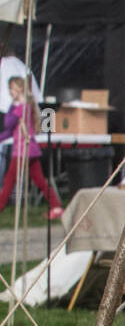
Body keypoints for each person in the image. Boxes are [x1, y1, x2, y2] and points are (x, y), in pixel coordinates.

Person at [0, 75, 62, 219]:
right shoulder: (26, 106)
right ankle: (56, 205)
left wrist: (12, 106)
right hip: (31, 150)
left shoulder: (21, 108)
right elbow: (10, 131)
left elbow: (8, 123)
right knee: (39, 180)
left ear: (19, 89)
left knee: (9, 182)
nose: (10, 92)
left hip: (22, 151)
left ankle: (1, 206)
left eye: (12, 89)